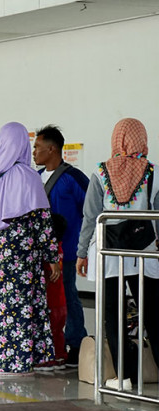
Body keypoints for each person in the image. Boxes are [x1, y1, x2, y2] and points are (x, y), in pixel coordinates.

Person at [0, 121, 60, 377]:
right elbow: (42, 221)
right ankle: (12, 364)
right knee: (18, 306)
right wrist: (52, 256)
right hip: (21, 257)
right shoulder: (28, 176)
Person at [76, 118, 159, 390]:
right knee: (153, 313)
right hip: (145, 253)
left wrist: (81, 253)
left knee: (112, 312)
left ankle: (122, 377)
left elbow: (90, 217)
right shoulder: (153, 172)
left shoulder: (101, 172)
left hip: (109, 251)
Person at [32, 125, 89, 366]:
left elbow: (91, 210)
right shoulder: (33, 177)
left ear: (52, 149)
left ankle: (76, 342)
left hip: (65, 251)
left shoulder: (73, 178)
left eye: (37, 147)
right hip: (37, 251)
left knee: (67, 295)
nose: (34, 152)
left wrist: (82, 247)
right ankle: (48, 344)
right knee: (42, 298)